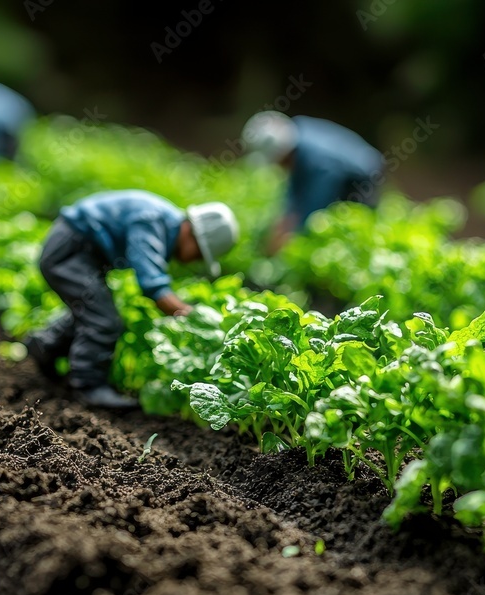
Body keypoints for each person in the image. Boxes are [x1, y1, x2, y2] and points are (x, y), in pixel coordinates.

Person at [24, 190, 239, 409]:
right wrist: (192, 316)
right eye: (200, 253)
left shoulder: (161, 220)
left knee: (93, 309)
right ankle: (89, 387)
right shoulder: (152, 221)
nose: (194, 260)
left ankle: (45, 344)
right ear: (193, 234)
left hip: (77, 248)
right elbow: (152, 284)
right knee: (104, 320)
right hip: (70, 251)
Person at [242, 111, 384, 255]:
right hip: (341, 172)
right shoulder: (296, 136)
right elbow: (296, 190)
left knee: (350, 229)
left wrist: (295, 230)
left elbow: (317, 201)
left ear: (282, 154)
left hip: (361, 176)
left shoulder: (317, 161)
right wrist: (286, 217)